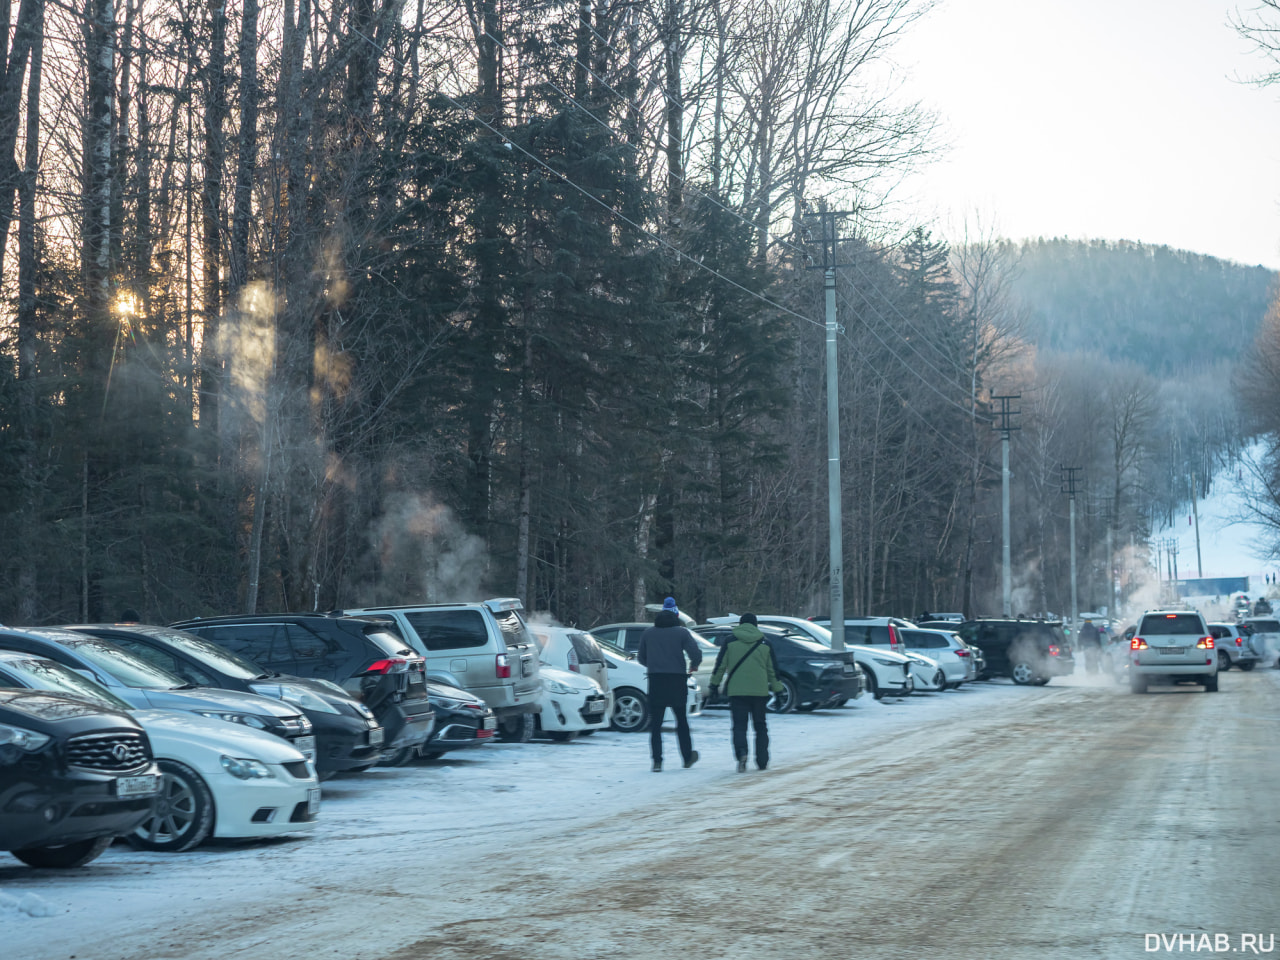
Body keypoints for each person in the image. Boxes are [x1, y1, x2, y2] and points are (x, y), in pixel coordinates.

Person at [709, 613, 784, 773]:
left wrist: (714, 686)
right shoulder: (765, 642)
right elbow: (773, 670)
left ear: (740, 624)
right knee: (760, 726)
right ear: (755, 625)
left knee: (739, 726)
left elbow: (720, 665)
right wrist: (778, 691)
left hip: (737, 692)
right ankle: (762, 760)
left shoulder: (730, 641)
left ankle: (741, 754)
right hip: (760, 691)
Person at [636, 597, 702, 772]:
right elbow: (695, 653)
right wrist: (693, 665)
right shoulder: (681, 633)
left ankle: (657, 761)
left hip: (656, 681)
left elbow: (641, 657)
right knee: (681, 720)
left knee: (655, 723)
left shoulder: (648, 633)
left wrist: (653, 665)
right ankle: (687, 757)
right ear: (676, 616)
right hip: (677, 680)